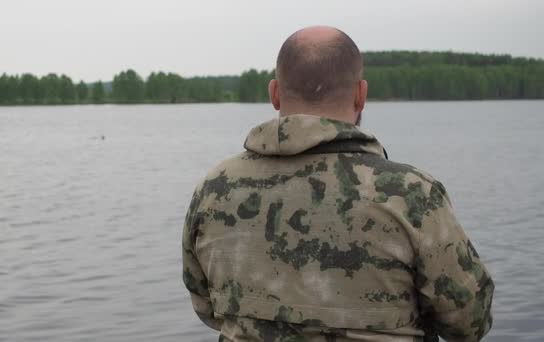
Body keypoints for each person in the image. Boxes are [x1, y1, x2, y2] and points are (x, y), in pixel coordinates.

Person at [182, 26, 494, 341]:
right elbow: (469, 322)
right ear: (361, 95)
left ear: (274, 93)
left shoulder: (214, 188)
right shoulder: (411, 194)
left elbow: (207, 307)